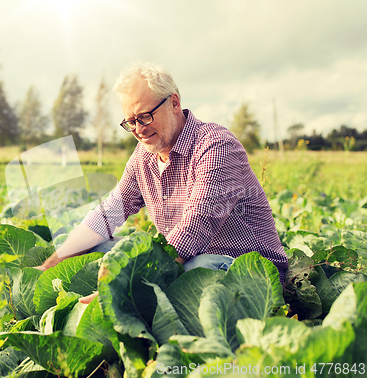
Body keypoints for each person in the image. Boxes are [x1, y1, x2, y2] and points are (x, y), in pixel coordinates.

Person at [34, 62, 288, 301]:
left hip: (245, 268)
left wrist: (127, 288)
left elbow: (195, 227)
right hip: (180, 260)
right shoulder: (144, 157)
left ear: (174, 103)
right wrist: (49, 266)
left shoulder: (216, 146)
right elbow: (108, 213)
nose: (139, 130)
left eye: (144, 117)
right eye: (130, 122)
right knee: (97, 251)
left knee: (197, 269)